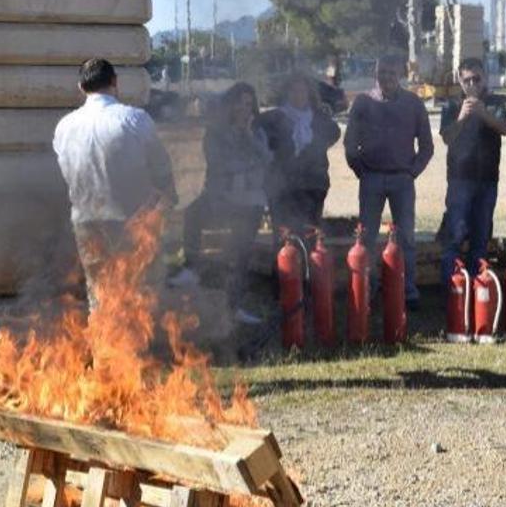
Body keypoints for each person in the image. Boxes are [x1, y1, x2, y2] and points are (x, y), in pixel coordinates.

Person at [53, 58, 176, 311]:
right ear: (115, 82)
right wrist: (168, 195)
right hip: (131, 221)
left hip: (86, 221)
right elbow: (161, 167)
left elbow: (67, 173)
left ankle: (104, 347)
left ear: (81, 87)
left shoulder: (64, 126)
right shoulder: (134, 119)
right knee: (138, 287)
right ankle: (136, 347)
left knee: (98, 291)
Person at [170, 82, 273, 324]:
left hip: (250, 201)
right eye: (239, 102)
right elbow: (219, 165)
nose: (243, 108)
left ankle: (233, 307)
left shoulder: (256, 132)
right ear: (230, 104)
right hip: (222, 198)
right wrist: (246, 164)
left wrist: (247, 137)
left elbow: (267, 159)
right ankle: (191, 268)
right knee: (193, 212)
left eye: (249, 103)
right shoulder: (216, 133)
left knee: (240, 255)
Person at [344, 55, 434, 310]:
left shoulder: (413, 103)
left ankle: (407, 291)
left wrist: (412, 172)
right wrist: (360, 170)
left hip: (402, 180)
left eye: (392, 73)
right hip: (370, 178)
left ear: (401, 75)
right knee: (367, 237)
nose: (386, 77)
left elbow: (427, 146)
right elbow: (350, 142)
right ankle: (367, 290)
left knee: (406, 237)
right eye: (382, 72)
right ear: (375, 74)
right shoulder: (363, 102)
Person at [439, 57, 506, 285]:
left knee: (480, 237)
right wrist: (462, 117)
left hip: (488, 179)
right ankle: (452, 290)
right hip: (460, 180)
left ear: (484, 78)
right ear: (460, 80)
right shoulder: (451, 105)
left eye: (476, 79)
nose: (472, 84)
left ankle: (477, 290)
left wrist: (482, 113)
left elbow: (504, 128)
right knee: (455, 236)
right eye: (467, 80)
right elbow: (447, 137)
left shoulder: (494, 102)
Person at [259, 75, 342, 236]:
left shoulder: (319, 119)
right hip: (281, 187)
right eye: (294, 91)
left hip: (313, 186)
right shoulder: (273, 118)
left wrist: (316, 150)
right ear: (286, 93)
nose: (298, 95)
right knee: (284, 236)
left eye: (302, 91)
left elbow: (334, 133)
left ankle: (308, 261)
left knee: (310, 233)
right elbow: (255, 130)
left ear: (309, 93)